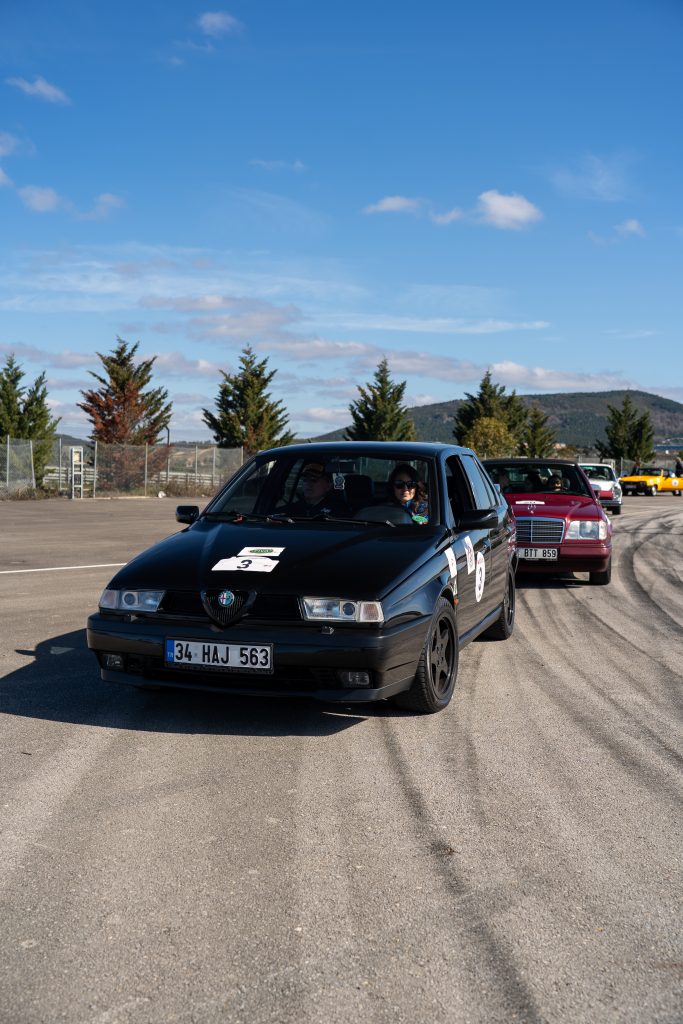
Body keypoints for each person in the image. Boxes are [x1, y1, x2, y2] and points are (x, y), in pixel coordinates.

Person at [281, 461, 347, 518]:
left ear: (328, 486)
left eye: (314, 480)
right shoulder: (292, 508)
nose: (308, 484)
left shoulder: (338, 511)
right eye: (305, 480)